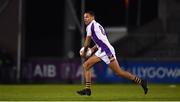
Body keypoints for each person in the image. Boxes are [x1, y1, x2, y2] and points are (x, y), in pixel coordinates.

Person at [77, 11, 148, 96]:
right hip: (102, 50)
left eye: (87, 17)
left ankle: (141, 81)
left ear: (92, 17)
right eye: (84, 17)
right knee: (86, 65)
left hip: (107, 51)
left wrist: (84, 52)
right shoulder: (97, 25)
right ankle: (87, 89)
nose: (85, 18)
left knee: (119, 72)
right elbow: (101, 40)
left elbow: (87, 43)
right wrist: (92, 50)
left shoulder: (90, 27)